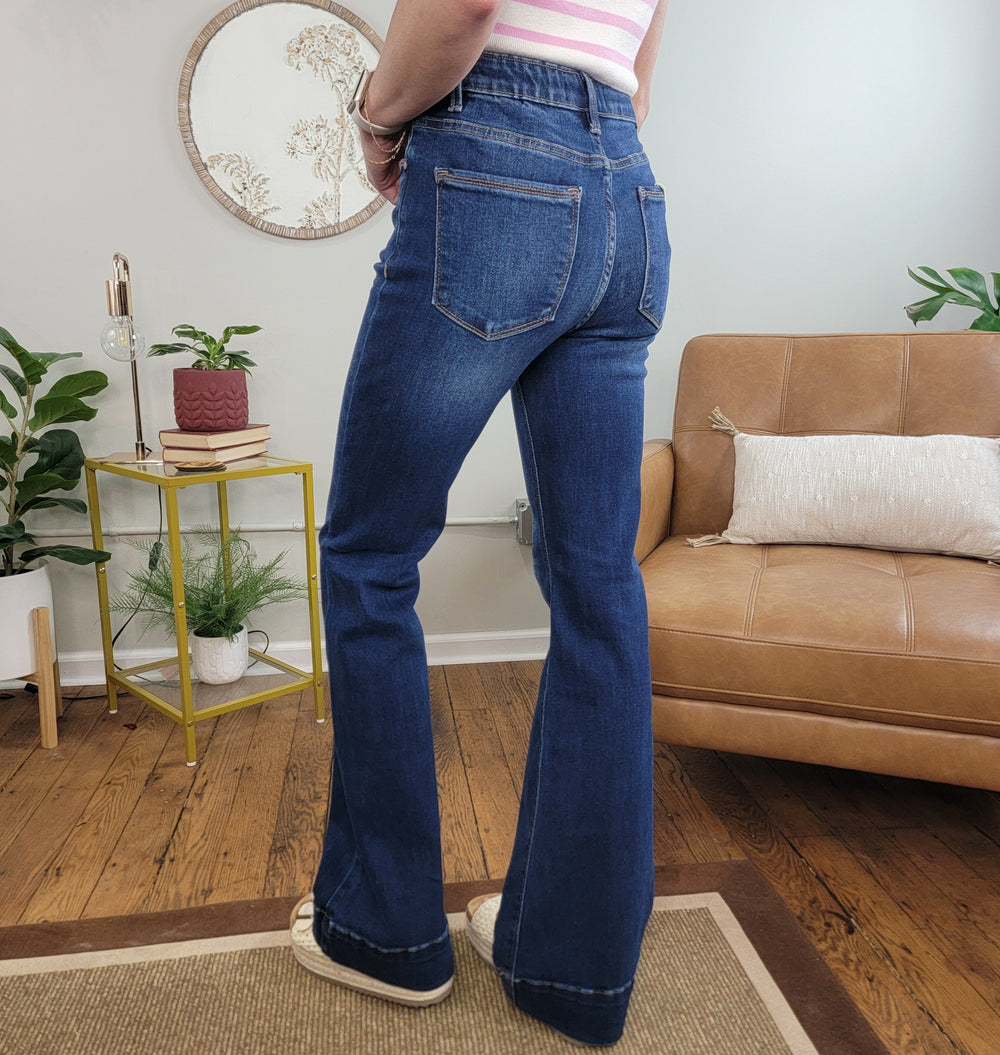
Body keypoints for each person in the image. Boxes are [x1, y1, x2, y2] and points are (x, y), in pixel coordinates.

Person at [289, 0, 670, 1045]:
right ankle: (572, 959)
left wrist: (377, 119)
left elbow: (460, 9)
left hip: (496, 151)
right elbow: (642, 57)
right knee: (599, 581)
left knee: (369, 554)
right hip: (629, 193)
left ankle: (384, 931)